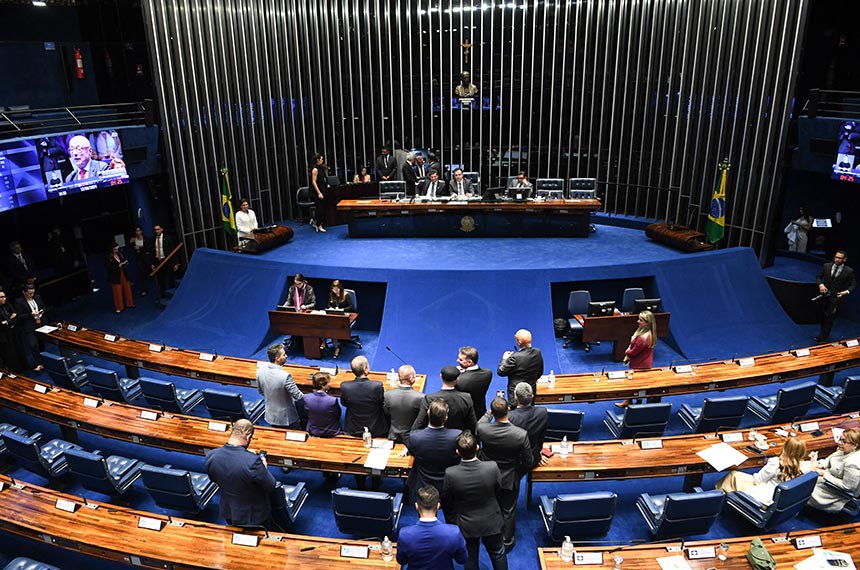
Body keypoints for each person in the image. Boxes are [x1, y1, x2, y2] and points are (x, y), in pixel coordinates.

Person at [443, 430, 508, 570]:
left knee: (470, 558)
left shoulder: (451, 473)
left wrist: (452, 523)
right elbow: (499, 492)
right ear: (477, 448)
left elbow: (447, 502)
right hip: (492, 520)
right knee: (498, 554)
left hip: (466, 525)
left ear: (457, 452)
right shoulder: (492, 467)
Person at [476, 396, 531, 552]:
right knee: (508, 509)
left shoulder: (482, 429)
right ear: (509, 409)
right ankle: (507, 541)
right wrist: (518, 474)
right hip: (510, 476)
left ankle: (486, 533)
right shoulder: (520, 434)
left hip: (487, 475)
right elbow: (528, 460)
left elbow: (481, 422)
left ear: (493, 412)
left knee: (487, 504)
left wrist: (489, 412)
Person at [204, 419, 277, 527]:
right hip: (253, 516)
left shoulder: (211, 456)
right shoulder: (253, 462)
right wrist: (263, 467)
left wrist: (247, 455)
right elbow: (271, 485)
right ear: (248, 435)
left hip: (229, 510)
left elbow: (214, 478)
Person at [715, 437, 809, 503]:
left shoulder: (775, 462)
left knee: (733, 475)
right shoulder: (804, 466)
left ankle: (716, 498)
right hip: (780, 499)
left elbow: (758, 480)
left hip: (764, 497)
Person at [396, 485, 468, 570]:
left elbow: (402, 561)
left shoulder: (404, 534)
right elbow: (462, 559)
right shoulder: (454, 532)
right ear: (438, 506)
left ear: (416, 506)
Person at [404, 399, 461, 502]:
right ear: (446, 418)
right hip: (447, 483)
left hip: (422, 483)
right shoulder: (456, 436)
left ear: (428, 413)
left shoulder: (415, 437)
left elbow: (413, 452)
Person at [807, 428, 860, 513]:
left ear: (855, 445)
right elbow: (829, 460)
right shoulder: (844, 449)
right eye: (840, 439)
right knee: (802, 467)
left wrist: (824, 474)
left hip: (836, 491)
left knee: (803, 487)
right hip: (828, 475)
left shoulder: (853, 463)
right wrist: (817, 462)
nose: (839, 442)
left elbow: (847, 487)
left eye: (844, 441)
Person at [411, 366, 477, 433]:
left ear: (440, 376)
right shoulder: (466, 398)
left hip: (435, 437)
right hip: (459, 438)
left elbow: (419, 423)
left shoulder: (430, 399)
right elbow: (472, 423)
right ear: (457, 379)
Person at [256, 343, 304, 429]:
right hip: (287, 418)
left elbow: (261, 391)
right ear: (277, 359)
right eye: (284, 355)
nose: (286, 356)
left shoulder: (260, 372)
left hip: (271, 416)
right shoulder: (285, 376)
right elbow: (299, 397)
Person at [340, 355, 389, 437]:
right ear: (365, 369)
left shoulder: (345, 386)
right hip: (375, 428)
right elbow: (381, 403)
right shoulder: (376, 386)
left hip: (353, 428)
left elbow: (344, 403)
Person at [617, 310, 657, 407]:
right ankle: (631, 401)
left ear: (647, 323)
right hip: (645, 362)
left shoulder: (642, 338)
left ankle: (635, 404)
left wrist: (626, 352)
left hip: (640, 364)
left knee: (635, 384)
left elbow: (633, 352)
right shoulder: (648, 333)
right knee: (639, 384)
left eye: (641, 320)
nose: (638, 322)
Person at [815, 250, 856, 342]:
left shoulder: (849, 271)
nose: (837, 259)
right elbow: (818, 277)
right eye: (836, 257)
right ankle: (822, 333)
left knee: (829, 317)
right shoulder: (826, 266)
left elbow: (853, 284)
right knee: (822, 315)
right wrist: (821, 285)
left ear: (844, 259)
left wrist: (846, 291)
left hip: (836, 298)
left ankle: (823, 336)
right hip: (824, 295)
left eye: (840, 258)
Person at [507, 383, 549, 469]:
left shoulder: (510, 417)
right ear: (532, 396)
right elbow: (541, 438)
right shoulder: (543, 412)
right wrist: (538, 454)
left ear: (515, 398)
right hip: (534, 457)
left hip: (515, 461)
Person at [497, 329, 544, 404]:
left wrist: (504, 359)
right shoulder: (538, 352)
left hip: (516, 395)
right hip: (530, 391)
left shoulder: (515, 358)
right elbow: (540, 372)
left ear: (519, 342)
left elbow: (501, 371)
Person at [383, 364, 424, 443]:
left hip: (392, 436)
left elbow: (386, 413)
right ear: (412, 378)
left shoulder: (387, 395)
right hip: (412, 438)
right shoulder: (421, 397)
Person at [14, 283, 46, 373]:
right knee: (33, 345)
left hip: (41, 323)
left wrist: (42, 311)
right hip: (29, 326)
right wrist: (31, 314)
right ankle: (39, 363)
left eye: (33, 293)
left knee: (41, 343)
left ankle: (43, 360)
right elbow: (19, 316)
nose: (32, 295)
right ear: (24, 292)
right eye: (29, 293)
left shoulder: (38, 297)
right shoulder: (19, 301)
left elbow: (43, 307)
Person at [455, 346, 493, 418]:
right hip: (480, 413)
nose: (457, 360)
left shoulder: (460, 380)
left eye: (460, 360)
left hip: (465, 416)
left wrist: (459, 373)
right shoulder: (488, 373)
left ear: (469, 362)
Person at [303, 372, 342, 437]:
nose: (330, 384)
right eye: (328, 382)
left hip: (313, 430)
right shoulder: (332, 400)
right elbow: (338, 415)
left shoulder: (306, 397)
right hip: (330, 431)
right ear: (323, 386)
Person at [147, 225, 180, 298]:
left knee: (170, 277)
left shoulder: (168, 238)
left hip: (167, 261)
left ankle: (173, 294)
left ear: (161, 229)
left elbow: (173, 251)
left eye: (158, 229)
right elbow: (151, 252)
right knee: (160, 279)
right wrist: (152, 263)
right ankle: (163, 294)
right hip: (158, 261)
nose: (156, 231)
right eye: (155, 230)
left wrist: (176, 263)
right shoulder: (152, 239)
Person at [0, 288, 28, 373]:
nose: (3, 298)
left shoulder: (8, 304)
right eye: (1, 297)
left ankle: (24, 367)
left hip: (15, 331)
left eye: (4, 296)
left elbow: (17, 317)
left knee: (20, 349)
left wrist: (7, 321)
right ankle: (15, 371)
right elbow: (1, 325)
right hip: (4, 335)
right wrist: (10, 319)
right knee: (11, 354)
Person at [105, 242, 135, 314]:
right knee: (117, 291)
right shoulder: (108, 256)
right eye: (115, 249)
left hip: (123, 273)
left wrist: (125, 263)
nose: (116, 250)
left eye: (117, 249)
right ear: (111, 249)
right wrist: (118, 266)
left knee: (127, 288)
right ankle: (119, 307)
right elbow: (109, 267)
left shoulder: (119, 254)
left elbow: (123, 261)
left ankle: (129, 303)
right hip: (115, 275)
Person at [326, 279, 353, 358]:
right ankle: (324, 343)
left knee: (333, 328)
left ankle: (336, 348)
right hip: (334, 315)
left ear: (340, 288)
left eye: (337, 289)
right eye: (333, 289)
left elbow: (351, 306)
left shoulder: (346, 295)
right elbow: (329, 304)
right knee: (326, 325)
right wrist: (331, 308)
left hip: (344, 315)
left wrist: (342, 310)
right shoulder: (332, 294)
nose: (335, 291)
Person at [129, 226, 151, 297]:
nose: (138, 232)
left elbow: (148, 248)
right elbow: (130, 248)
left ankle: (158, 286)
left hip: (147, 257)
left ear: (142, 231)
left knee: (152, 271)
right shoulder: (134, 239)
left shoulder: (146, 238)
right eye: (136, 231)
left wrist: (140, 248)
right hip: (139, 259)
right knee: (142, 274)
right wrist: (130, 243)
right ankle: (144, 289)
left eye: (139, 230)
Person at [309, 153, 328, 232]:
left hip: (323, 190)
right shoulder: (315, 169)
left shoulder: (321, 168)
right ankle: (318, 225)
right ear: (318, 160)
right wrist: (319, 193)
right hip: (317, 192)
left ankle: (314, 220)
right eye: (321, 159)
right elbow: (314, 182)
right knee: (320, 210)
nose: (322, 160)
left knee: (322, 208)